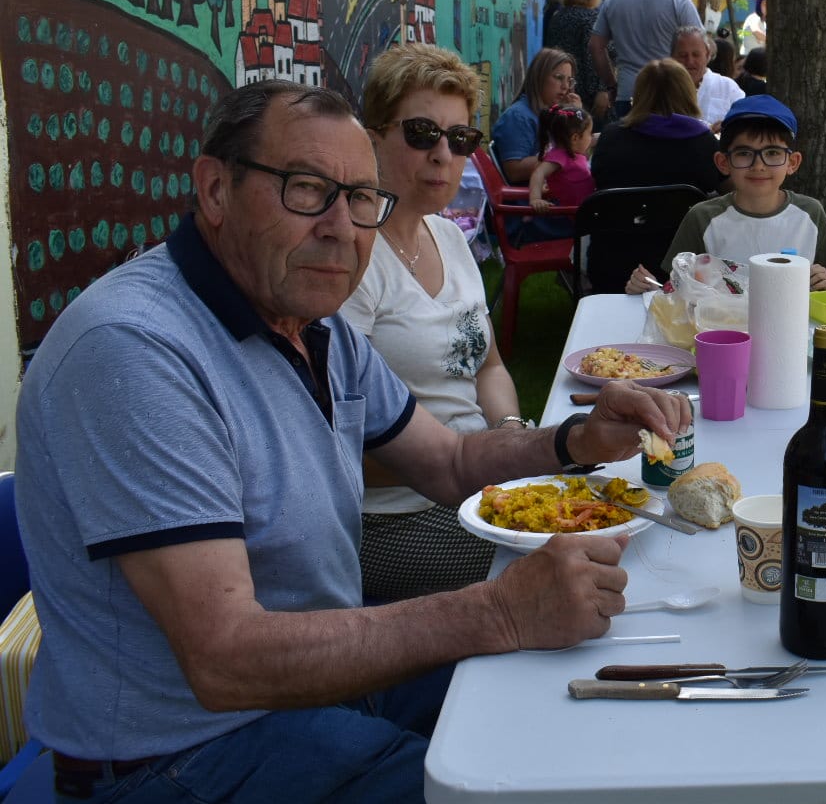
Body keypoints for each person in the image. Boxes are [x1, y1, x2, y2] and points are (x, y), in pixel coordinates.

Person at [14, 79, 689, 802]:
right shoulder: (134, 352)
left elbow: (450, 460)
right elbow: (226, 659)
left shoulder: (315, 325)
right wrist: (494, 612)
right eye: (307, 189)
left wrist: (578, 439)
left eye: (362, 199)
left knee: (588, 720)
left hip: (317, 690)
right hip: (181, 754)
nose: (342, 228)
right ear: (214, 190)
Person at [340, 45, 513, 601]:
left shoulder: (448, 237)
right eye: (421, 133)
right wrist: (471, 462)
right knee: (560, 554)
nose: (444, 154)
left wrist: (508, 437)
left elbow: (489, 366)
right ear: (373, 137)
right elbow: (337, 445)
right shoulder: (350, 260)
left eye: (460, 139)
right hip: (394, 519)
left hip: (477, 484)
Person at [635, 94, 826, 293]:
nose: (758, 165)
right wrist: (646, 287)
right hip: (718, 329)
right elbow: (675, 287)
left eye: (772, 153)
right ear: (723, 163)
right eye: (744, 153)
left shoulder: (810, 213)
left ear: (792, 163)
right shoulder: (702, 218)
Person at [590, 0, 702, 119]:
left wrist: (611, 84)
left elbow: (596, 46)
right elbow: (701, 46)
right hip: (670, 94)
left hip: (628, 92)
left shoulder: (613, 0)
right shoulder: (680, 2)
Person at [592, 58, 724, 196]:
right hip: (684, 217)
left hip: (622, 217)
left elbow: (600, 184)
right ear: (688, 94)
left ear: (639, 94)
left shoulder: (610, 137)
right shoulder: (704, 142)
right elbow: (729, 190)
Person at [490, 49, 581, 244]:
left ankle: (575, 273)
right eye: (558, 78)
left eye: (570, 81)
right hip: (532, 213)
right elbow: (514, 170)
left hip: (552, 203)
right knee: (602, 224)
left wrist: (577, 118)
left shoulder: (550, 115)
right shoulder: (519, 117)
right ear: (539, 77)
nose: (566, 87)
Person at [527, 104, 596, 234]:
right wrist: (535, 198)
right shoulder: (559, 156)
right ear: (575, 138)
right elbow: (538, 172)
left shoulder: (573, 154)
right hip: (570, 220)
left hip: (584, 213)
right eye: (589, 133)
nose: (591, 138)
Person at [547, 0, 606, 118]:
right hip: (586, 94)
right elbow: (593, 56)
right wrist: (602, 90)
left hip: (561, 88)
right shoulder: (591, 18)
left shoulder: (557, 17)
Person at [675, 25, 744, 129]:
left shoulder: (727, 87)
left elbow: (744, 123)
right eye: (683, 55)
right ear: (672, 57)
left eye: (696, 54)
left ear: (707, 55)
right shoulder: (661, 88)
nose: (689, 61)